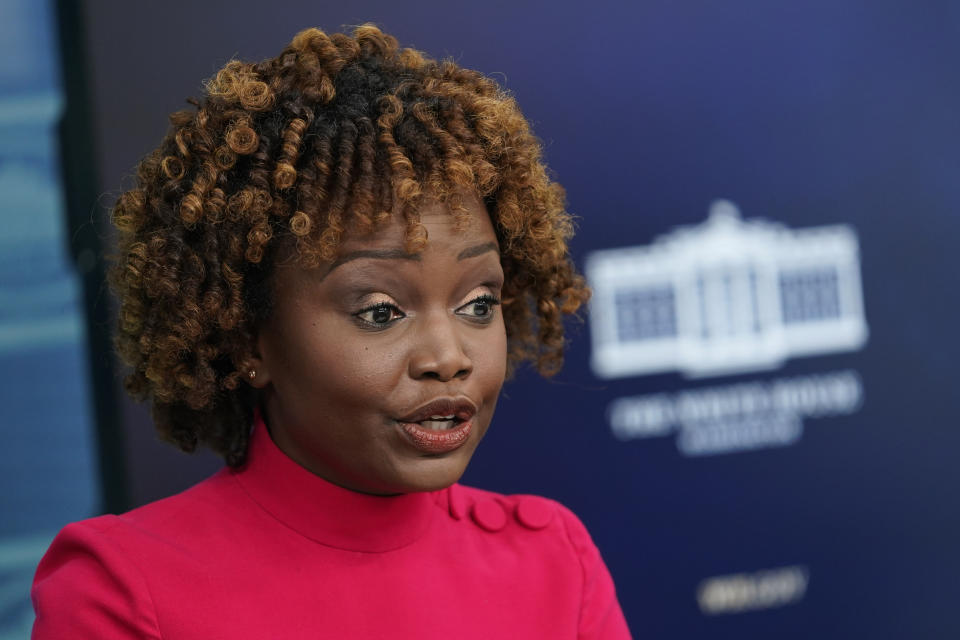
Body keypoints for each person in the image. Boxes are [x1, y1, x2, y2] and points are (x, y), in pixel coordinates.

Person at [31, 25, 631, 639]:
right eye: (379, 311)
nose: (449, 358)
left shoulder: (554, 563)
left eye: (478, 303)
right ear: (248, 339)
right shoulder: (123, 592)